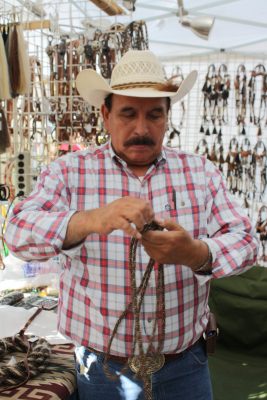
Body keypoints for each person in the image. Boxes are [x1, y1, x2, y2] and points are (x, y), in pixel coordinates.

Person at [5, 50, 258, 400]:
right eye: (128, 113)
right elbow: (17, 233)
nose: (141, 128)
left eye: (154, 114)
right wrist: (89, 220)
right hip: (102, 370)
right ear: (106, 115)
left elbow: (247, 242)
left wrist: (197, 252)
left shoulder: (200, 172)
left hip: (185, 366)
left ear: (168, 117)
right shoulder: (69, 171)